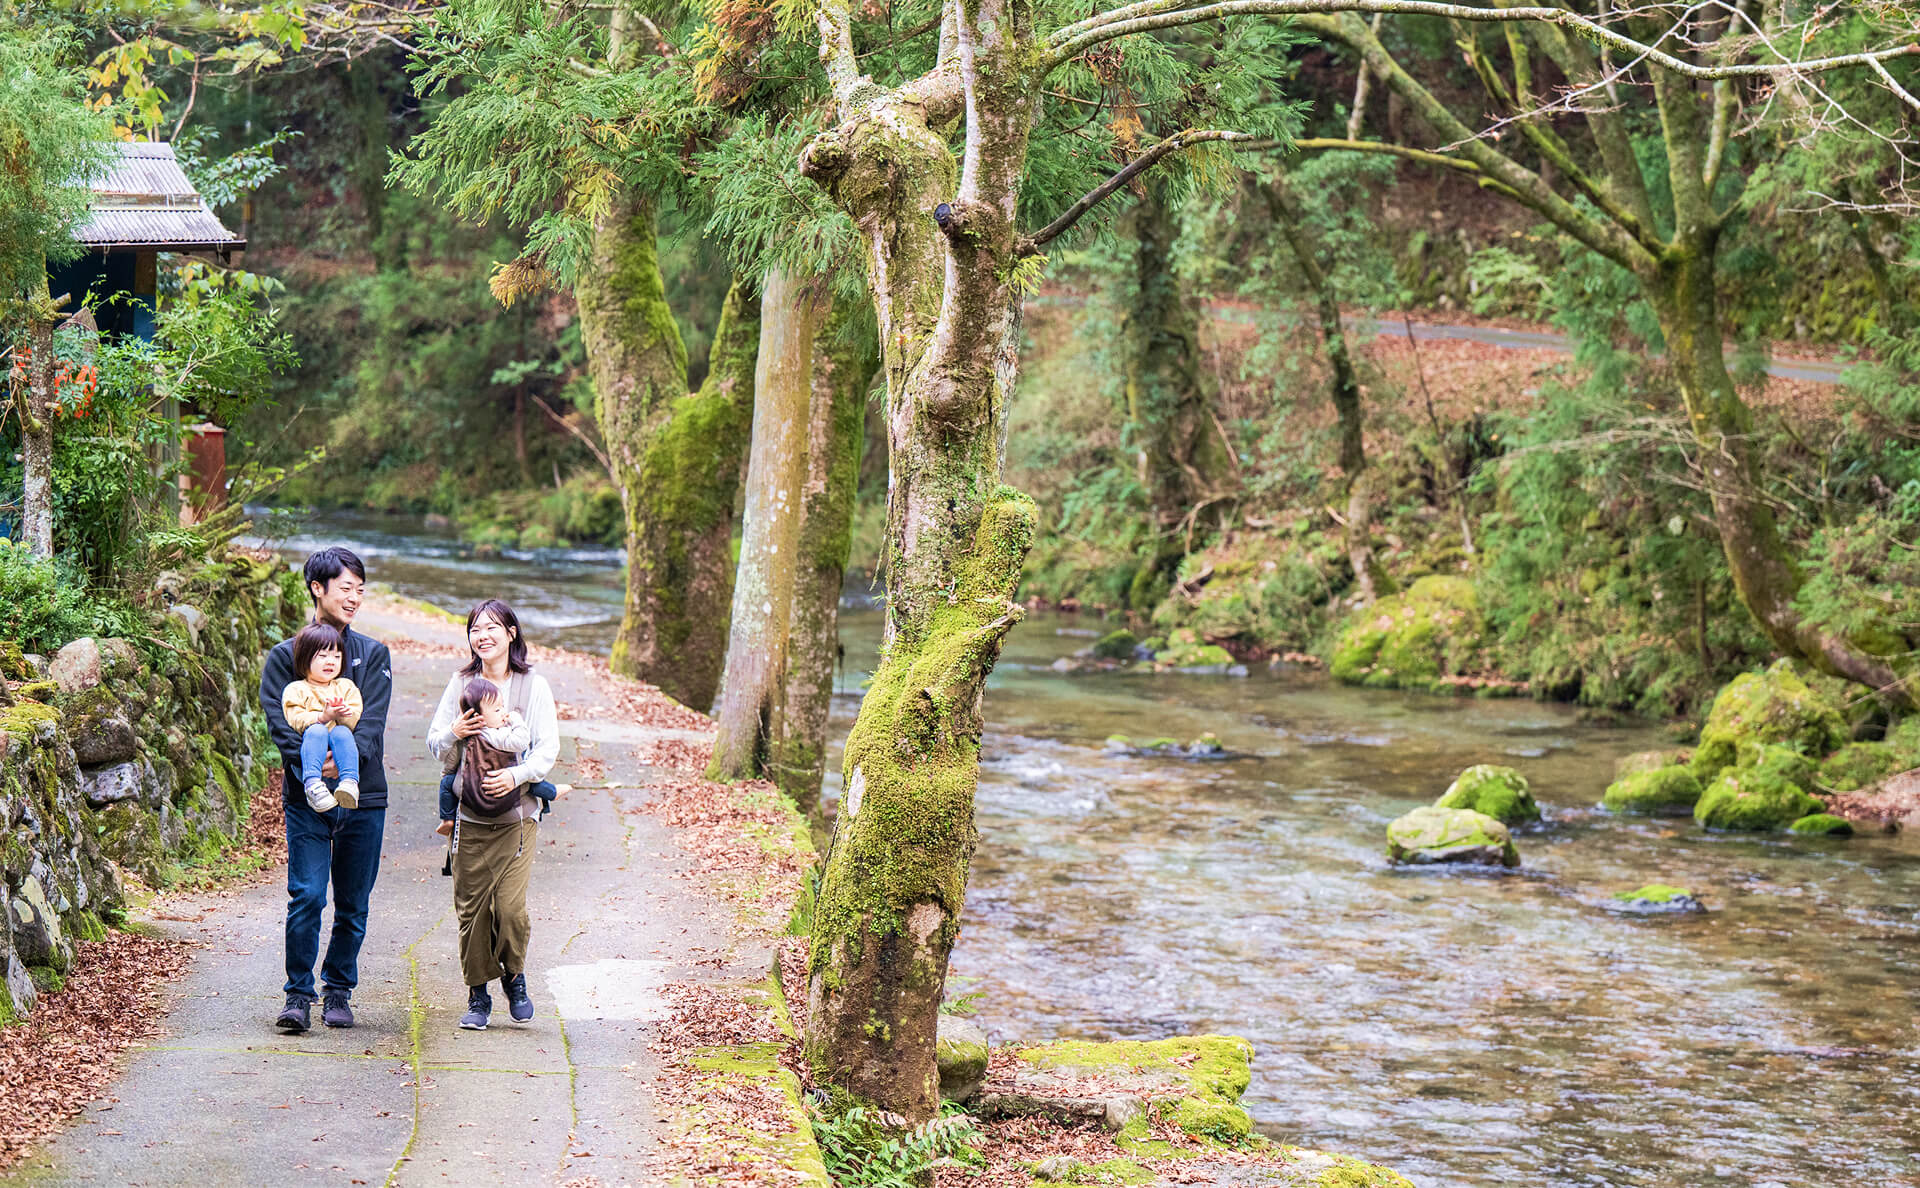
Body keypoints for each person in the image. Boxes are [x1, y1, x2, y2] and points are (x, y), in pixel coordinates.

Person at [259, 547, 392, 1034]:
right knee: (308, 896)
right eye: (346, 588)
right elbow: (281, 727)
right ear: (318, 588)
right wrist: (315, 764)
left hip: (364, 797)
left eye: (361, 589)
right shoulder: (282, 658)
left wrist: (344, 761)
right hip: (306, 800)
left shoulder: (374, 655)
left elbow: (372, 726)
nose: (355, 598)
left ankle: (338, 989)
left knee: (353, 903)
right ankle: (298, 995)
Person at [425, 599, 560, 1031]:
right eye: (474, 629)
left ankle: (515, 976)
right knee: (472, 911)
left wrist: (517, 774)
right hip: (470, 821)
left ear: (511, 633)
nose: (482, 636)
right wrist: (454, 732)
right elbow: (435, 745)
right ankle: (478, 995)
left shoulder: (531, 685)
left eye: (491, 628)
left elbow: (547, 748)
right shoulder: (461, 683)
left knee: (510, 909)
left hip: (518, 819)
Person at [281, 622, 364, 812]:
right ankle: (312, 785)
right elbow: (295, 718)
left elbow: (354, 719)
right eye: (323, 656)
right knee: (317, 730)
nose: (331, 661)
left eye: (337, 656)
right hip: (310, 750)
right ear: (304, 657)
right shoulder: (296, 689)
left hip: (339, 746)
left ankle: (350, 782)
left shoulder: (345, 687)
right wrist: (322, 716)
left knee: (342, 731)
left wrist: (341, 714)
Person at [436, 676, 530, 830]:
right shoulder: (498, 734)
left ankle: (447, 818)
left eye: (503, 706)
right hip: (500, 787)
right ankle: (552, 794)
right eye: (497, 709)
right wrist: (516, 720)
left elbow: (452, 760)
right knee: (534, 780)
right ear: (479, 717)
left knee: (446, 783)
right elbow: (522, 741)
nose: (504, 713)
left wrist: (447, 773)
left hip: (470, 787)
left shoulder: (465, 735)